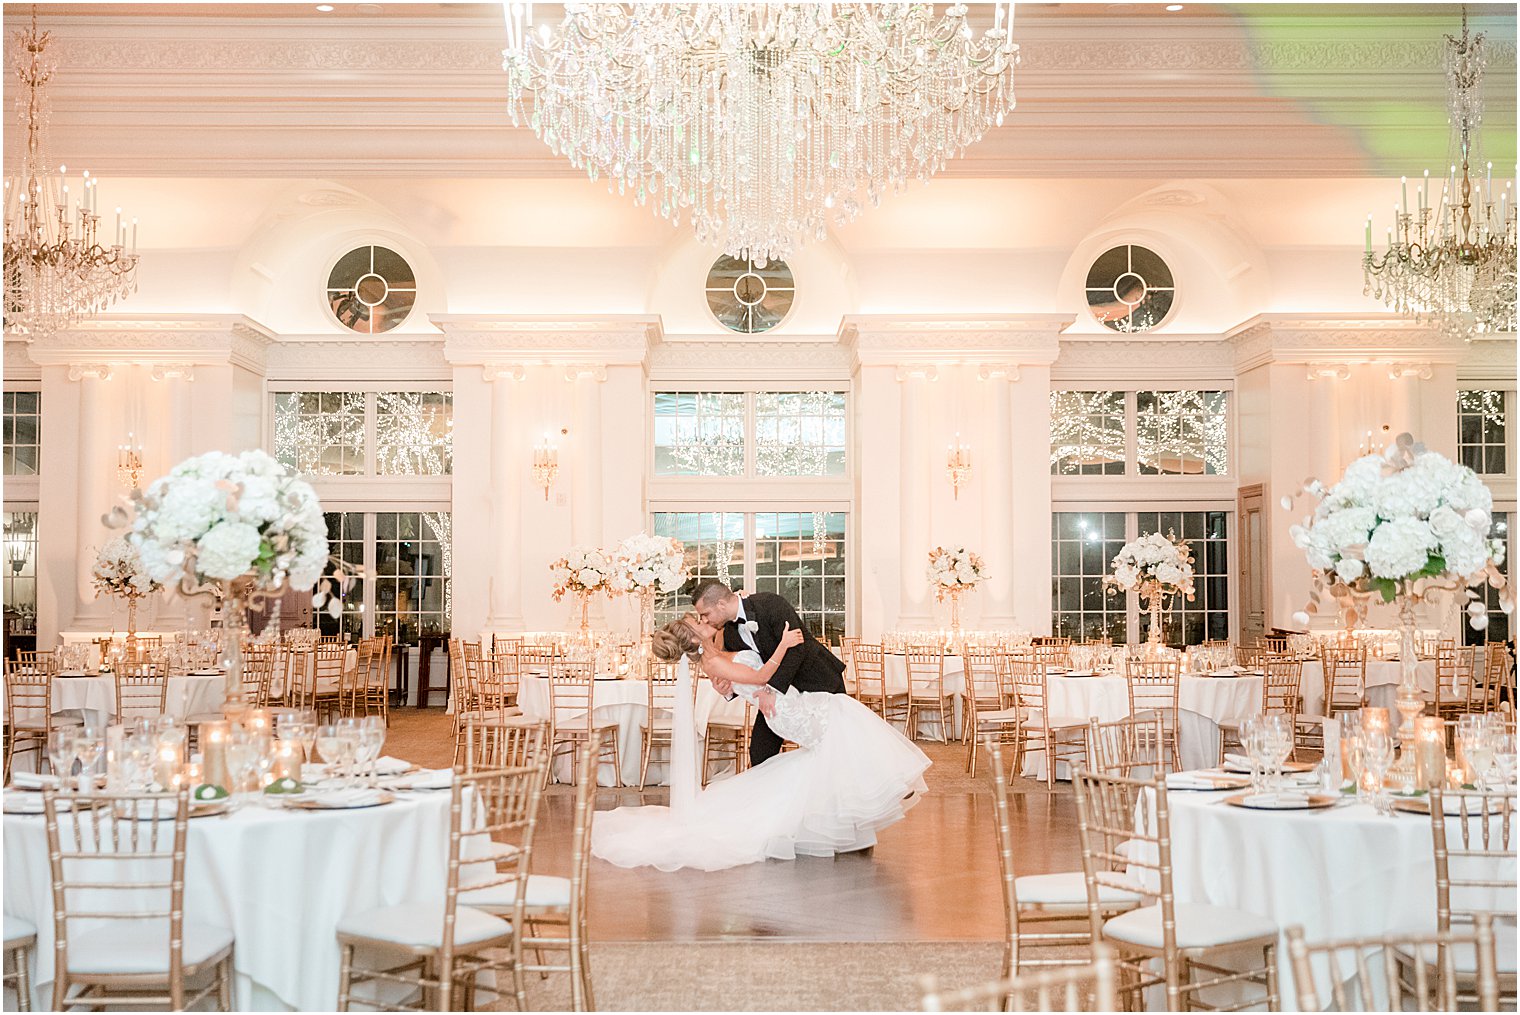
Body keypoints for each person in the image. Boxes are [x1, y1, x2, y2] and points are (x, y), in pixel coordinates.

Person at [589, 613, 931, 872]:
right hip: (785, 709)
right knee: (845, 722)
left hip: (787, 703)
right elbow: (760, 676)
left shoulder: (718, 654)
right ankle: (860, 808)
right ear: (694, 636)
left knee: (826, 752)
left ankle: (843, 821)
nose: (705, 620)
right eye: (698, 621)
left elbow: (742, 680)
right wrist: (783, 644)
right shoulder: (714, 660)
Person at [691, 580, 847, 767]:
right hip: (780, 697)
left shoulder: (771, 603)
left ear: (721, 604)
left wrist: (771, 689)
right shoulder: (730, 633)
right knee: (760, 753)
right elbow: (748, 670)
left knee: (837, 745)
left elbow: (797, 648)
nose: (705, 620)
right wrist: (728, 690)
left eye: (705, 614)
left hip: (817, 681)